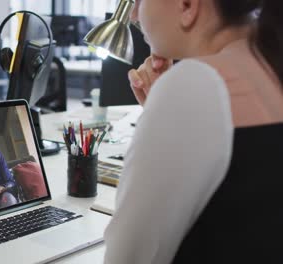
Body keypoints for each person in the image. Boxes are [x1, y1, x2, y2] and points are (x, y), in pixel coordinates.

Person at [104, 0, 283, 263]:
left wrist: (167, 106)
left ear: (187, 6)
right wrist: (161, 113)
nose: (133, 14)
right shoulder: (269, 66)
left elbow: (128, 255)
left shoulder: (196, 83)